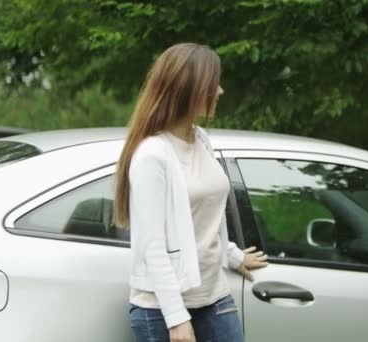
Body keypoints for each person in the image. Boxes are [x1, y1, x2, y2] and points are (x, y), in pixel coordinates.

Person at [113, 43, 268, 342]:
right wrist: (176, 319)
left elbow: (205, 213)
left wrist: (232, 254)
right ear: (191, 90)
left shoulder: (201, 139)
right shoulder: (152, 155)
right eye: (213, 85)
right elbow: (152, 245)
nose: (220, 91)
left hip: (214, 297)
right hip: (162, 310)